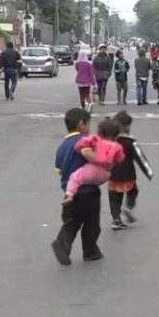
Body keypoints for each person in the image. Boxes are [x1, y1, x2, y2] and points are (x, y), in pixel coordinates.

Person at [52, 108, 103, 265]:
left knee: (71, 221)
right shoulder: (86, 142)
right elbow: (96, 160)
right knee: (91, 223)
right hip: (88, 191)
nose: (89, 128)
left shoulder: (61, 147)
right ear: (81, 124)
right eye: (88, 124)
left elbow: (59, 170)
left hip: (69, 193)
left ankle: (62, 243)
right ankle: (90, 251)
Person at [108, 110, 154, 229]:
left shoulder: (110, 142)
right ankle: (128, 207)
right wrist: (148, 171)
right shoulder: (130, 142)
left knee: (114, 199)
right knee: (133, 192)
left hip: (113, 176)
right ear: (127, 126)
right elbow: (140, 158)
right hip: (128, 175)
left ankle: (116, 219)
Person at [64, 118, 126, 202]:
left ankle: (70, 195)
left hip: (93, 169)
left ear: (99, 132)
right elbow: (120, 158)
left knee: (75, 177)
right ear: (116, 135)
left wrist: (79, 150)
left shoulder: (96, 140)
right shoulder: (117, 146)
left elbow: (80, 144)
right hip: (105, 174)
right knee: (94, 182)